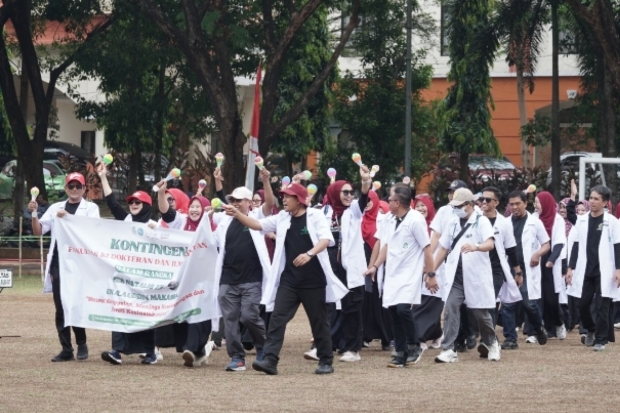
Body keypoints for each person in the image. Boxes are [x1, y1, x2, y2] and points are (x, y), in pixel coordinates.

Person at [223, 183, 348, 375]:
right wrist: (237, 214)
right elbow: (258, 225)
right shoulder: (282, 217)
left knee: (318, 321)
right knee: (277, 320)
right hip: (289, 280)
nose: (284, 200)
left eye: (287, 197)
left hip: (313, 281)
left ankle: (325, 360)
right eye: (283, 196)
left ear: (298, 199)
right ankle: (270, 361)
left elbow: (326, 239)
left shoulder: (315, 216)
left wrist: (309, 253)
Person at [209, 167, 275, 372]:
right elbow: (209, 239)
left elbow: (270, 204)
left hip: (252, 279)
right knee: (229, 319)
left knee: (248, 316)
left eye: (239, 200)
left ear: (249, 202)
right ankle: (237, 357)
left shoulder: (257, 218)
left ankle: (262, 347)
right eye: (233, 200)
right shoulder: (224, 221)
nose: (235, 203)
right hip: (227, 279)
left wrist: (265, 182)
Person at [29, 172, 100, 362]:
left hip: (80, 263)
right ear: (66, 188)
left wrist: (68, 217)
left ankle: (82, 344)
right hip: (58, 262)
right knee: (61, 307)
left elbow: (92, 231)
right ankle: (66, 349)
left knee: (76, 303)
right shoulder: (55, 208)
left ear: (84, 189)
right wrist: (34, 213)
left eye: (78, 186)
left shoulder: (91, 209)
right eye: (71, 186)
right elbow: (39, 231)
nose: (74, 189)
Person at [365, 184, 434, 368]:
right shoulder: (388, 219)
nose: (387, 201)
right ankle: (401, 352)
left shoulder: (416, 220)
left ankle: (414, 345)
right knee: (394, 312)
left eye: (390, 198)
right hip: (393, 272)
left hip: (410, 273)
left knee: (403, 309)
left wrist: (431, 273)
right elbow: (385, 245)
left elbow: (426, 248)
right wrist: (375, 267)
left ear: (398, 202)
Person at [97, 164, 158, 365]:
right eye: (131, 201)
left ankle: (150, 352)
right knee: (120, 309)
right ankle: (117, 351)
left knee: (145, 315)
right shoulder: (126, 220)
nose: (133, 204)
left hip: (146, 279)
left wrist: (155, 232)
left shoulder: (154, 225)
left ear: (147, 205)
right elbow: (112, 203)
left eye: (137, 202)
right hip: (124, 278)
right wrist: (103, 177)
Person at [431, 188, 500, 363]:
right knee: (450, 308)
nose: (456, 209)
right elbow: (444, 248)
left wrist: (475, 246)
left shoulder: (481, 221)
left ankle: (491, 343)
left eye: (460, 205)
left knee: (480, 314)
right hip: (456, 276)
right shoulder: (453, 223)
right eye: (454, 206)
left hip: (475, 275)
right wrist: (431, 271)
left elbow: (490, 244)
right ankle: (448, 349)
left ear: (470, 205)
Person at [156, 179, 214, 367]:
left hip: (205, 281)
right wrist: (161, 193)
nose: (195, 210)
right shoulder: (181, 222)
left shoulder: (213, 228)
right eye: (192, 206)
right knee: (183, 312)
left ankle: (192, 347)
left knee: (198, 312)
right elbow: (167, 212)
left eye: (199, 207)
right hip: (183, 280)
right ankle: (195, 351)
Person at [317, 166, 371, 362]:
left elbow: (363, 199)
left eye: (351, 192)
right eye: (345, 192)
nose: (349, 196)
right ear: (334, 193)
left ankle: (352, 349)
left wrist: (365, 182)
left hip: (350, 268)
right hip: (330, 266)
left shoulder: (353, 211)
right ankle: (325, 344)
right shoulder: (324, 212)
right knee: (329, 307)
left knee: (352, 308)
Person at [567, 185, 620, 351]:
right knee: (582, 304)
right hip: (586, 270)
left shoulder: (612, 222)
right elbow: (576, 244)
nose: (592, 202)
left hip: (605, 270)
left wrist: (618, 269)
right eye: (590, 198)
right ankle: (590, 329)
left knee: (602, 305)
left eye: (596, 199)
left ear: (605, 202)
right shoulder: (582, 220)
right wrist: (570, 267)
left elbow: (618, 246)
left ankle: (601, 339)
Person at [429, 180, 480, 352]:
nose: (451, 195)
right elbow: (437, 236)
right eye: (450, 192)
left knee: (468, 302)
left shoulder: (477, 213)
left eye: (455, 192)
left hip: (470, 262)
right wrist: (429, 257)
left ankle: (471, 331)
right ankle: (457, 339)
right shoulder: (444, 211)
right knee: (452, 303)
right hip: (450, 263)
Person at [498, 191, 550, 349]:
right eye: (511, 204)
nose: (514, 207)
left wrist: (537, 254)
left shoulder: (535, 222)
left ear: (525, 203)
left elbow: (546, 244)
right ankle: (510, 339)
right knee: (507, 305)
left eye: (517, 204)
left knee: (528, 304)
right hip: (510, 269)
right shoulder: (504, 223)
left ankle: (538, 327)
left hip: (527, 269)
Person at [479, 187, 522, 327]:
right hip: (476, 268)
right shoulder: (475, 219)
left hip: (496, 269)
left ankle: (490, 339)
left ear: (496, 203)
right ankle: (470, 335)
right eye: (482, 199)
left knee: (491, 303)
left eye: (487, 199)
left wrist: (518, 271)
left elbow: (511, 249)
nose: (483, 202)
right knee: (473, 303)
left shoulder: (504, 223)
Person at [361, 192, 393, 351]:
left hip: (381, 264)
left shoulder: (383, 219)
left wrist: (374, 264)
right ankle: (365, 335)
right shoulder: (359, 218)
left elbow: (381, 243)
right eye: (364, 200)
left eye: (369, 200)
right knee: (366, 301)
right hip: (362, 263)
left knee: (381, 301)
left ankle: (387, 338)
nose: (366, 203)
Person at [411, 195, 443, 349]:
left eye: (424, 205)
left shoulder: (436, 228)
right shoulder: (413, 224)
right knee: (422, 303)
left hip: (434, 270)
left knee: (426, 304)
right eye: (417, 206)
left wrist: (429, 269)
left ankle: (420, 337)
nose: (420, 208)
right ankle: (437, 333)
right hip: (416, 270)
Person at [534, 192, 568, 339]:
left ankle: (559, 323)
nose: (535, 205)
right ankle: (538, 330)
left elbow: (560, 243)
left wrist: (552, 260)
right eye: (534, 202)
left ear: (546, 203)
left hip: (551, 261)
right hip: (536, 258)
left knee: (551, 299)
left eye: (538, 202)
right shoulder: (533, 218)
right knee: (536, 297)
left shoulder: (558, 220)